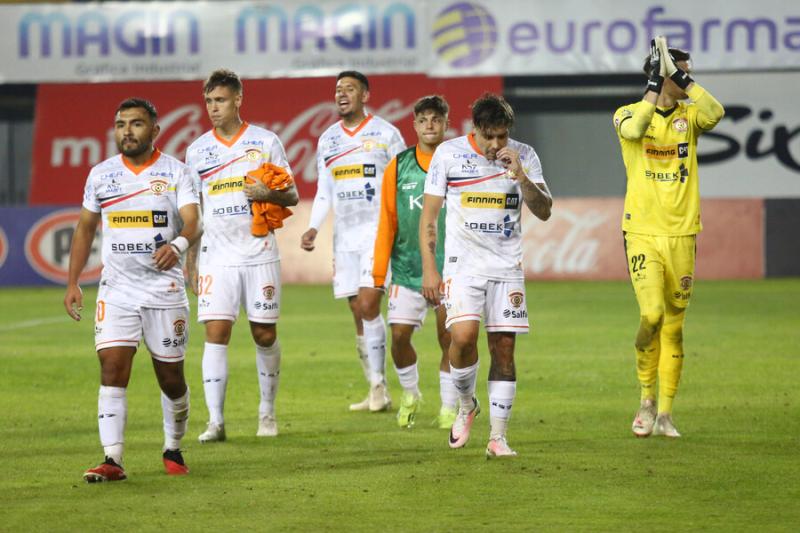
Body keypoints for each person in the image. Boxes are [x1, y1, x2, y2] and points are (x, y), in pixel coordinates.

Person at [64, 98, 202, 482]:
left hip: (164, 290)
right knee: (111, 367)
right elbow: (85, 228)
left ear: (154, 130)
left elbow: (193, 222)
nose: (127, 130)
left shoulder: (177, 173)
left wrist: (177, 246)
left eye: (137, 123)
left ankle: (173, 446)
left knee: (170, 377)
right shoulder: (101, 175)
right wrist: (73, 281)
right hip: (118, 289)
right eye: (121, 123)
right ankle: (113, 459)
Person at [420, 93, 552, 457]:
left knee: (504, 350)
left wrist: (522, 177)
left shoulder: (524, 156)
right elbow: (429, 217)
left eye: (502, 136)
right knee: (461, 339)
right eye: (488, 136)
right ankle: (466, 405)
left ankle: (498, 438)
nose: (495, 145)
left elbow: (544, 211)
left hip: (507, 268)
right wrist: (430, 268)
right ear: (474, 128)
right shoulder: (448, 155)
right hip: (463, 266)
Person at [613, 37, 724, 438]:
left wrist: (679, 79)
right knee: (652, 316)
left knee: (674, 326)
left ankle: (665, 413)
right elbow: (638, 127)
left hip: (682, 233)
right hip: (642, 231)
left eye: (687, 71)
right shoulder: (626, 113)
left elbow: (717, 112)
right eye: (681, 71)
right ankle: (644, 399)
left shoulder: (690, 117)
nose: (687, 76)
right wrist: (656, 84)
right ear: (658, 74)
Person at [185, 69, 299, 443]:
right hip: (216, 255)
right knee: (215, 333)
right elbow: (194, 210)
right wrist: (190, 259)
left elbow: (292, 195)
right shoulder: (197, 150)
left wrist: (269, 192)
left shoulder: (264, 141)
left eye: (219, 100)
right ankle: (215, 422)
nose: (213, 108)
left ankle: (267, 412)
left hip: (259, 250)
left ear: (237, 99)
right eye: (208, 101)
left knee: (264, 333)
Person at [301, 71, 406, 412]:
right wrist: (313, 227)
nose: (341, 94)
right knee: (356, 311)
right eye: (337, 89)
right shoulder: (328, 140)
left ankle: (378, 387)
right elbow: (324, 190)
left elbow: (403, 182)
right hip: (344, 237)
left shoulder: (387, 134)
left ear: (365, 94)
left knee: (368, 304)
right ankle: (377, 386)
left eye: (349, 89)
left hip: (378, 233)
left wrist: (403, 227)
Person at [369, 95, 458, 429]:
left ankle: (449, 406)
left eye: (436, 119)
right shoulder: (399, 165)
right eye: (423, 120)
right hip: (406, 268)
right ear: (415, 125)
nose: (430, 125)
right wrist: (380, 272)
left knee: (448, 338)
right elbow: (387, 220)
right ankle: (410, 393)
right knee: (400, 337)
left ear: (447, 123)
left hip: (450, 267)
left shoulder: (458, 160)